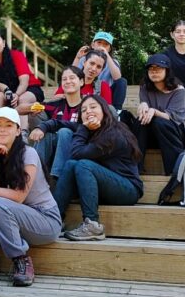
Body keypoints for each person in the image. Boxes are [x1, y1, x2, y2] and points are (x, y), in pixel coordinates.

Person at [0, 107, 62, 287]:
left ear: (18, 130)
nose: (2, 129)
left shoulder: (28, 153)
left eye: (8, 125)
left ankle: (21, 260)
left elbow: (19, 197)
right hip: (19, 216)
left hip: (45, 220)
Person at [47, 95, 143, 241]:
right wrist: (41, 127)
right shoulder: (92, 129)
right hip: (106, 186)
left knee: (82, 164)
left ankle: (92, 225)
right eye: (84, 110)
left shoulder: (113, 134)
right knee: (70, 165)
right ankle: (54, 219)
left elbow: (76, 154)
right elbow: (61, 123)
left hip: (127, 189)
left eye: (93, 107)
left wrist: (83, 128)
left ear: (104, 110)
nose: (88, 112)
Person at [124, 54, 185, 175]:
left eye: (158, 68)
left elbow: (175, 117)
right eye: (151, 69)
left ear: (167, 71)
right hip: (153, 135)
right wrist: (143, 105)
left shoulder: (178, 90)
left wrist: (154, 111)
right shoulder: (145, 88)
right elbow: (145, 106)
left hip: (175, 135)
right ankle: (134, 169)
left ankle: (174, 171)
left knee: (159, 121)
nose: (154, 72)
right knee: (141, 120)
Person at [25, 66, 84, 184]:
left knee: (64, 131)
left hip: (78, 151)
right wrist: (32, 107)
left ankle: (57, 179)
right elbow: (21, 109)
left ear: (81, 81)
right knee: (44, 135)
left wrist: (46, 126)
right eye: (64, 79)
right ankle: (33, 178)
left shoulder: (88, 104)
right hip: (53, 150)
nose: (68, 81)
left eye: (72, 78)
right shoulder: (55, 105)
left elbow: (84, 128)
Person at [0, 29, 44, 119]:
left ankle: (23, 131)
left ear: (3, 43)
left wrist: (17, 94)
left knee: (22, 99)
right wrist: (7, 91)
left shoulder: (16, 55)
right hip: (7, 91)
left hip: (28, 88)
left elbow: (24, 81)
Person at [72, 31, 127, 109]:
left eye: (106, 44)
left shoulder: (112, 61)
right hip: (87, 89)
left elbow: (117, 78)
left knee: (122, 81)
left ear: (109, 48)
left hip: (106, 92)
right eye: (99, 42)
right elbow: (72, 74)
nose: (102, 46)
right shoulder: (84, 58)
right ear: (93, 44)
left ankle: (117, 110)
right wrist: (77, 58)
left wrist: (106, 55)